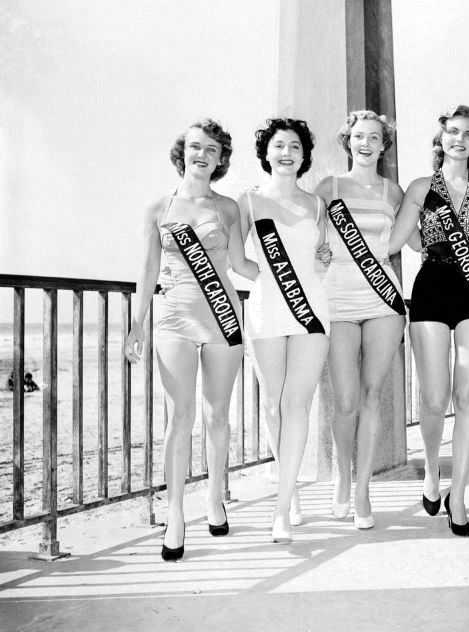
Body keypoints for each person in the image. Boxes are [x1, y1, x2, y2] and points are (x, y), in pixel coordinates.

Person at [125, 118, 258, 561]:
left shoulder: (227, 209)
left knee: (218, 414)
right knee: (179, 416)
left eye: (212, 149)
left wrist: (301, 273)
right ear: (183, 152)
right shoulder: (159, 208)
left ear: (221, 159)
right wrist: (135, 323)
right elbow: (146, 272)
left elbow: (241, 265)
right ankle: (176, 514)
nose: (202, 155)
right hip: (175, 316)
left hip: (223, 317)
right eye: (196, 147)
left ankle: (216, 497)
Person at [390, 105, 469, 536]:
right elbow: (397, 240)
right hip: (432, 289)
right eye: (453, 132)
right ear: (442, 140)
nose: (460, 139)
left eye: (468, 134)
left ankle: (458, 495)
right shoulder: (421, 186)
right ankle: (433, 471)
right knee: (435, 398)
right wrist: (425, 241)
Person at [314, 111, 406, 529]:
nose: (365, 143)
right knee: (346, 399)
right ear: (347, 141)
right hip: (337, 302)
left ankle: (363, 489)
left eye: (374, 137)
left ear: (384, 145)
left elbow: (418, 239)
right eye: (357, 136)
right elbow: (307, 239)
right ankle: (341, 475)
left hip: (383, 300)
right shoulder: (328, 188)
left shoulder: (393, 192)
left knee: (372, 396)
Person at [239, 117, 329, 543]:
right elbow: (237, 261)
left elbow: (320, 256)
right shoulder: (249, 202)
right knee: (273, 404)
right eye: (279, 145)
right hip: (267, 309)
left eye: (295, 146)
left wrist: (323, 262)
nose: (287, 153)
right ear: (267, 153)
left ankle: (281, 510)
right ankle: (289, 487)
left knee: (298, 402)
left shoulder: (316, 205)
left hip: (311, 309)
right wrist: (264, 279)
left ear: (303, 154)